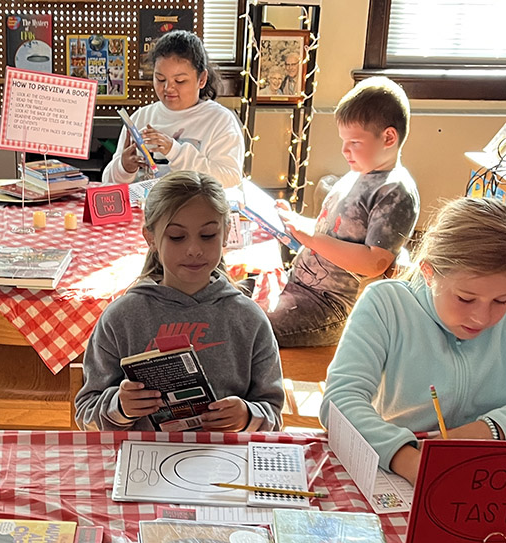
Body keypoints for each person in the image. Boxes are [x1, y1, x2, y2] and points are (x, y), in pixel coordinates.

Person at [319, 196, 506, 485]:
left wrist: (487, 430)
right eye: (465, 298)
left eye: (501, 300)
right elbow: (339, 401)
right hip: (399, 463)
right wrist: (406, 457)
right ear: (428, 272)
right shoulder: (386, 304)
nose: (481, 318)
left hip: (496, 468)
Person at [75, 171, 283, 431]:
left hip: (225, 461)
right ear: (150, 238)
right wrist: (121, 407)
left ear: (226, 232)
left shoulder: (249, 319)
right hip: (143, 462)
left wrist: (247, 416)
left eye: (207, 235)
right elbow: (86, 413)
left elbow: (273, 415)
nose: (194, 249)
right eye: (177, 237)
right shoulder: (122, 318)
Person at [265, 76, 419, 347]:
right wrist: (296, 221)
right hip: (300, 284)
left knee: (248, 327)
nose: (345, 150)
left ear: (389, 137)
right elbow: (337, 230)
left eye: (354, 142)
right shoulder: (358, 173)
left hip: (330, 307)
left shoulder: (395, 191)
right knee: (230, 298)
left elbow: (375, 262)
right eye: (343, 140)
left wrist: (310, 238)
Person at [102, 30, 245, 189]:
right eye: (160, 79)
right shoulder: (141, 117)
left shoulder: (219, 120)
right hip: (144, 210)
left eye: (180, 81)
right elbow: (108, 182)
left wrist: (175, 151)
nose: (168, 88)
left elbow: (230, 178)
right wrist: (124, 168)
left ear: (202, 79)